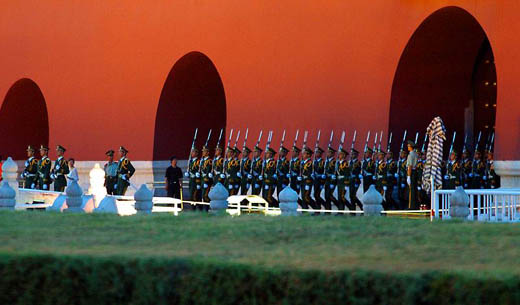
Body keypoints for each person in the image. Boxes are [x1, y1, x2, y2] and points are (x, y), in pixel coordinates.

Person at [324, 146, 338, 211]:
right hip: (326, 181)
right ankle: (328, 209)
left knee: (329, 195)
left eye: (329, 152)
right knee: (326, 196)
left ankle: (338, 205)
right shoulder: (327, 161)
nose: (328, 154)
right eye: (328, 152)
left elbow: (334, 173)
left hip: (331, 181)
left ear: (332, 154)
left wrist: (333, 182)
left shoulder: (334, 162)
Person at [406, 140, 418, 209]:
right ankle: (415, 205)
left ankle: (411, 206)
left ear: (411, 147)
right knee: (414, 190)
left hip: (411, 173)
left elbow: (409, 166)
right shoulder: (415, 154)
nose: (408, 147)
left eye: (408, 146)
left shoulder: (410, 155)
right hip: (415, 172)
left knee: (411, 191)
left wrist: (408, 176)